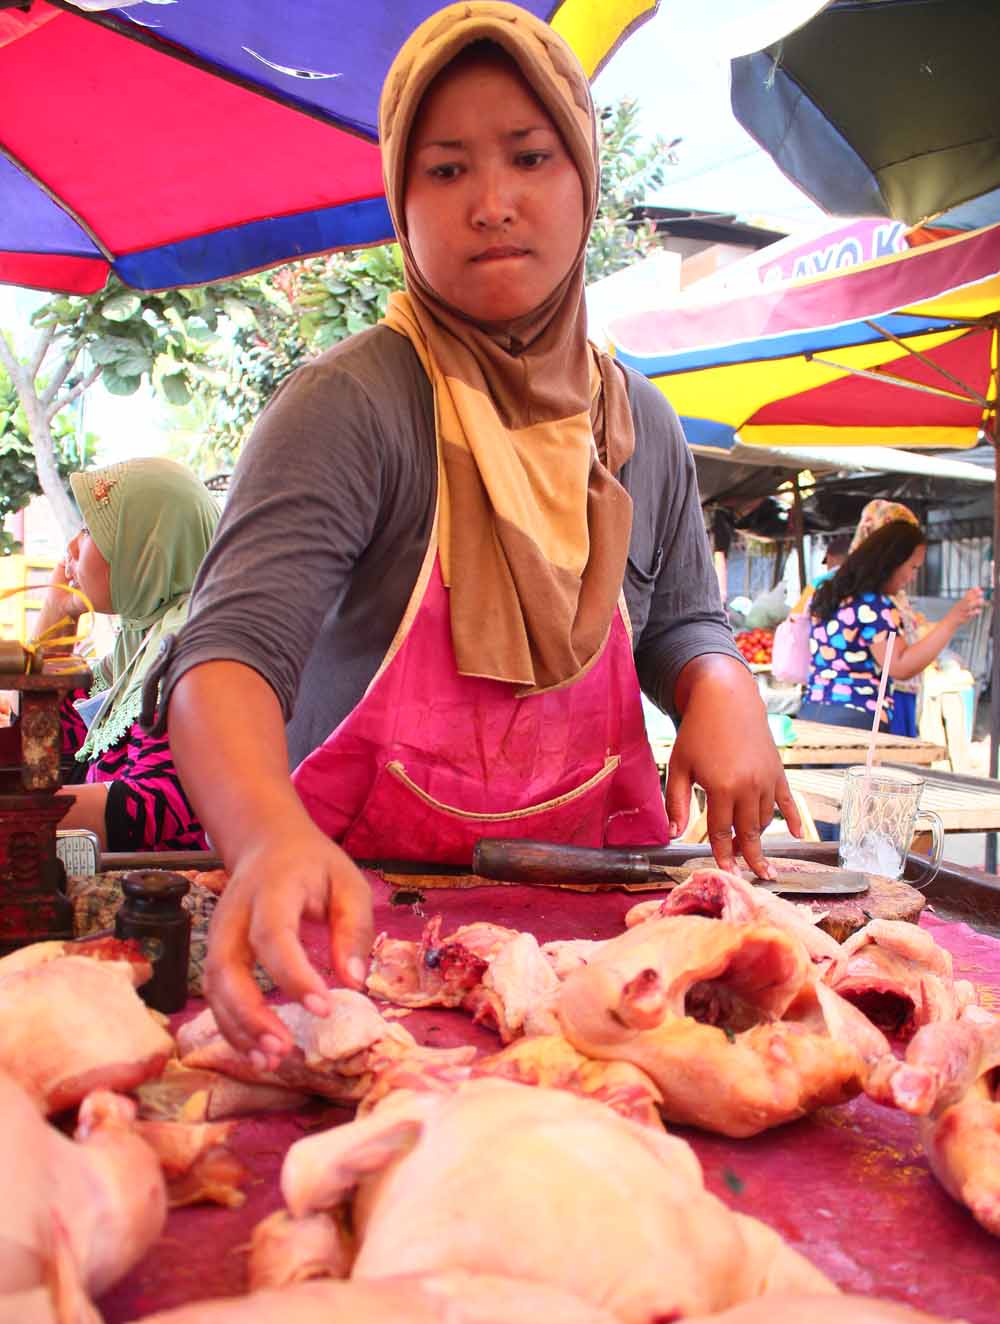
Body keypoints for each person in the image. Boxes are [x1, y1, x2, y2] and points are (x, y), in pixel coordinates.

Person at [158, 1, 801, 1064]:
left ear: (583, 181)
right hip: (365, 949)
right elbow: (226, 655)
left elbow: (683, 619)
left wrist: (720, 686)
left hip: (607, 966)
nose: (492, 203)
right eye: (445, 170)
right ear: (399, 203)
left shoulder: (639, 420)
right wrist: (266, 833)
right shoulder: (353, 404)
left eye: (529, 156)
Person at [32, 457, 220, 851]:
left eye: (89, 530)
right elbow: (50, 739)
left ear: (146, 547)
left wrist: (22, 817)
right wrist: (59, 611)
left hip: (161, 893)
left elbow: (158, 802)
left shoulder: (191, 651)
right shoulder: (140, 644)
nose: (71, 548)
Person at [801, 520, 982, 731]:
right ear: (892, 562)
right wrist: (953, 620)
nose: (913, 577)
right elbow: (899, 665)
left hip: (812, 712)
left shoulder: (830, 594)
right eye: (912, 567)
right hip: (854, 719)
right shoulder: (873, 605)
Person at [848, 500, 924, 736]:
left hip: (897, 696)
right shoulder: (863, 594)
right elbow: (898, 664)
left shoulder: (892, 591)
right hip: (873, 701)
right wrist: (954, 620)